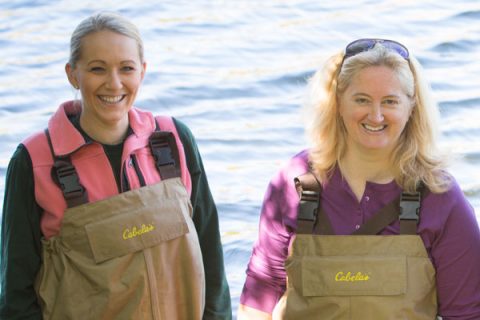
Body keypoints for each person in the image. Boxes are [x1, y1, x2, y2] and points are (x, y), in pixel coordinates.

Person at [0, 12, 231, 320]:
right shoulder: (33, 160)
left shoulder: (175, 140)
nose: (114, 83)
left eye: (127, 68)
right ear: (72, 74)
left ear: (143, 72)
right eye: (97, 69)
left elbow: (211, 255)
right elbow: (16, 293)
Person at [237, 39, 480, 319]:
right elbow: (260, 294)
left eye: (390, 101)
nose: (375, 116)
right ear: (338, 102)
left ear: (411, 107)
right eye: (362, 99)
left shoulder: (439, 195)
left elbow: (467, 313)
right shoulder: (295, 182)